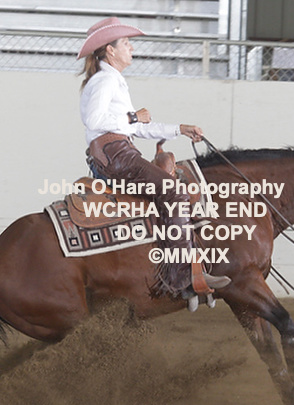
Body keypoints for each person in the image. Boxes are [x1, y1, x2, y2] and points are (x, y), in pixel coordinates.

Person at [77, 17, 230, 304]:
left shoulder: (112, 80)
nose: (131, 48)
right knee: (174, 192)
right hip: (116, 155)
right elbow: (94, 120)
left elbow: (137, 128)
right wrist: (132, 117)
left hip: (117, 152)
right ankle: (181, 277)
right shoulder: (105, 80)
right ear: (110, 50)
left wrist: (179, 129)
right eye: (126, 43)